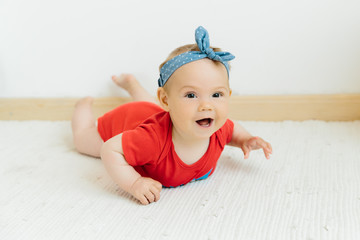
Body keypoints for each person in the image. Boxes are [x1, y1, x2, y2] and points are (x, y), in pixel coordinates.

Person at [71, 26, 272, 205]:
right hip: (127, 120)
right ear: (166, 100)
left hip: (153, 110)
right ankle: (83, 105)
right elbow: (110, 150)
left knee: (149, 106)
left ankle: (134, 87)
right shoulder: (151, 140)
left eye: (216, 94)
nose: (206, 105)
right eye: (191, 95)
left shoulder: (217, 127)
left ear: (228, 95)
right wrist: (134, 183)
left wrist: (245, 139)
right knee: (83, 141)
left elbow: (232, 128)